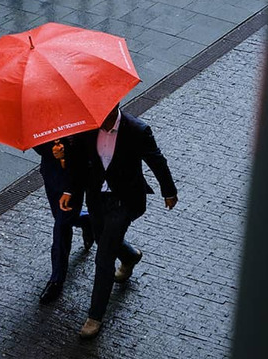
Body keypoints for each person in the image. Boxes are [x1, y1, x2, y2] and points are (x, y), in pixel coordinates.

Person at [59, 104, 178, 339]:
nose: (99, 119)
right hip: (96, 198)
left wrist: (169, 191)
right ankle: (131, 255)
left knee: (103, 257)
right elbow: (78, 164)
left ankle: (95, 316)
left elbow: (156, 161)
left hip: (124, 200)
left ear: (114, 108)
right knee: (104, 239)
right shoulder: (88, 128)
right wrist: (70, 190)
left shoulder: (137, 130)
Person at [33, 136, 94, 304]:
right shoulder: (40, 117)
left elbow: (84, 154)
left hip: (72, 182)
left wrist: (64, 157)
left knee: (61, 227)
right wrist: (52, 153)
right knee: (65, 219)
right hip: (51, 178)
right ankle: (86, 220)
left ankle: (57, 279)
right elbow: (37, 145)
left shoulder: (76, 121)